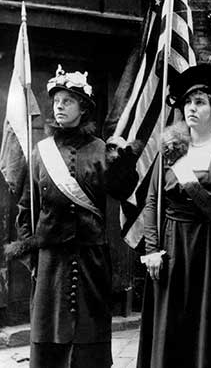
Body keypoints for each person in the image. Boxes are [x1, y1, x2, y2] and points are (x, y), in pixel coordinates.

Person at [5, 67, 138, 368]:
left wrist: (124, 160)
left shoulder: (102, 150)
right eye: (57, 101)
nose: (60, 106)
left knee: (89, 337)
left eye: (68, 101)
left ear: (83, 108)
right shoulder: (41, 153)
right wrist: (34, 257)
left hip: (91, 260)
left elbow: (124, 190)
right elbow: (26, 209)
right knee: (50, 335)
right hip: (51, 261)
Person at [136, 64, 211, 368]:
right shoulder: (170, 151)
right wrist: (151, 250)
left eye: (199, 102)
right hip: (172, 249)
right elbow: (151, 202)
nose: (191, 109)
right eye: (187, 102)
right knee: (170, 328)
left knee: (207, 329)